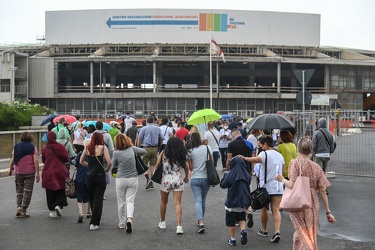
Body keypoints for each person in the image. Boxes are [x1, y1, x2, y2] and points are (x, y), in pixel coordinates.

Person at [274, 137, 336, 249]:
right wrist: (328, 212)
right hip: (312, 203)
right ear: (311, 150)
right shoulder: (316, 167)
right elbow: (322, 190)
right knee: (309, 232)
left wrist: (281, 179)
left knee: (301, 231)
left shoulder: (295, 163)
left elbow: (291, 184)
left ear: (298, 149)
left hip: (297, 201)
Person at [241, 135, 285, 243]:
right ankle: (277, 232)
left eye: (260, 145)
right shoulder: (280, 155)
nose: (260, 147)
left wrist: (245, 158)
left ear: (265, 144)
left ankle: (264, 230)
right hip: (278, 186)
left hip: (266, 187)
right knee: (276, 210)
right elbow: (283, 171)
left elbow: (257, 159)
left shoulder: (263, 154)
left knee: (264, 209)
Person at [111, 134, 146, 232]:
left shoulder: (116, 153)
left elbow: (114, 165)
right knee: (130, 201)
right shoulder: (132, 149)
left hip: (121, 178)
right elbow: (144, 151)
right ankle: (129, 218)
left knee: (121, 201)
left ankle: (122, 223)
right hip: (133, 178)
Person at [156, 137, 189, 234]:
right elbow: (186, 167)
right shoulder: (181, 154)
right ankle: (179, 226)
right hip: (177, 178)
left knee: (163, 201)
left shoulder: (163, 153)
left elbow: (157, 164)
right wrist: (186, 176)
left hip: (166, 179)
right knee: (177, 203)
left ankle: (162, 222)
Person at [79, 133, 112, 230]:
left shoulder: (87, 147)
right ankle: (95, 222)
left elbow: (81, 161)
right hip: (100, 175)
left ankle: (95, 216)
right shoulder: (102, 148)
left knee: (92, 198)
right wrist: (107, 169)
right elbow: (109, 162)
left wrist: (89, 166)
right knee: (99, 199)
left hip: (89, 176)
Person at [220, 156, 251, 246]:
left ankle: (233, 239)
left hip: (232, 202)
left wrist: (225, 174)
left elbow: (223, 185)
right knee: (241, 218)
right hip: (243, 202)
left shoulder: (230, 174)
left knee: (231, 221)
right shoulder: (247, 175)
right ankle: (242, 231)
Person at [226, 128, 254, 228]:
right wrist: (252, 171)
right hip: (247, 172)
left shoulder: (231, 144)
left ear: (233, 135)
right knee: (246, 193)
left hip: (235, 174)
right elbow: (252, 158)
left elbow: (229, 159)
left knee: (236, 195)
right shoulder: (249, 144)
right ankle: (249, 210)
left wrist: (228, 169)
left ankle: (238, 218)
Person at [8, 132, 40, 218]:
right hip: (29, 172)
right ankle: (23, 209)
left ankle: (18, 207)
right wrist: (38, 173)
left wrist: (10, 169)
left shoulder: (16, 146)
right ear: (30, 138)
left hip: (18, 171)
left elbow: (13, 159)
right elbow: (35, 161)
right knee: (27, 192)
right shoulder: (33, 147)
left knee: (19, 190)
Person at [188, 132, 213, 233]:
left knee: (198, 200)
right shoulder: (208, 148)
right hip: (206, 178)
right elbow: (212, 163)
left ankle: (200, 221)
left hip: (195, 178)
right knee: (203, 200)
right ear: (200, 139)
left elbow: (190, 167)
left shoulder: (190, 151)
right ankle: (201, 219)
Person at [41, 131, 70, 218]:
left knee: (50, 191)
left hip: (48, 171)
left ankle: (52, 210)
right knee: (61, 189)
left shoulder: (45, 148)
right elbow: (66, 158)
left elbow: (43, 160)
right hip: (60, 171)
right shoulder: (61, 147)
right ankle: (58, 204)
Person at [137, 115, 164, 190]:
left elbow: (140, 139)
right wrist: (160, 144)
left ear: (146, 121)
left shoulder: (143, 128)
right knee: (152, 165)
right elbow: (162, 138)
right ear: (153, 121)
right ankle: (151, 180)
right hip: (155, 148)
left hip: (146, 148)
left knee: (144, 165)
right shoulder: (157, 128)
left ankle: (148, 179)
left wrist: (139, 148)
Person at [74, 151, 91, 223]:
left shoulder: (80, 154)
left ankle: (80, 213)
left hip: (79, 178)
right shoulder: (92, 154)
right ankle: (88, 212)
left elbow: (75, 167)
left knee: (79, 195)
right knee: (90, 195)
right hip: (89, 178)